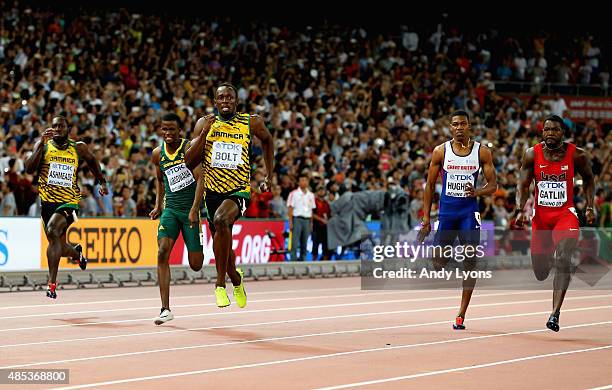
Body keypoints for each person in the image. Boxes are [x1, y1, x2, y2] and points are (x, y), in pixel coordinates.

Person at [185, 83, 274, 308]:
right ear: (215, 102)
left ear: (236, 100)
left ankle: (219, 284)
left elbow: (268, 140)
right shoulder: (204, 124)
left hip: (239, 190)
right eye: (221, 98)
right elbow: (189, 161)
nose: (225, 101)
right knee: (222, 242)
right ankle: (236, 278)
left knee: (221, 220)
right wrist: (204, 135)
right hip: (212, 192)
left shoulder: (250, 122)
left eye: (229, 97)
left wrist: (269, 175)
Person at [515, 114, 596, 332]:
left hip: (565, 214)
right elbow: (522, 185)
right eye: (547, 130)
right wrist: (520, 209)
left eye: (555, 130)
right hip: (541, 218)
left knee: (563, 258)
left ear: (563, 132)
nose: (550, 133)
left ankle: (555, 313)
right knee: (541, 273)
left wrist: (590, 205)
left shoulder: (577, 155)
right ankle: (552, 255)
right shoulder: (532, 154)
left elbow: (589, 179)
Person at [418, 110, 497, 330]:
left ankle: (461, 313)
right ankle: (447, 251)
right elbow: (429, 186)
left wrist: (478, 192)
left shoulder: (481, 152)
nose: (459, 127)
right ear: (450, 127)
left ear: (469, 126)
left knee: (470, 262)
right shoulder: (440, 151)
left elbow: (493, 185)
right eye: (455, 124)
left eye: (463, 124)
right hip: (447, 213)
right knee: (438, 264)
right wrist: (426, 218)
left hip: (468, 213)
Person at [24, 115, 108, 299]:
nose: (57, 129)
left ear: (68, 129)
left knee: (53, 231)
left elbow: (93, 161)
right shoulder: (43, 146)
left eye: (61, 126)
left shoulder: (78, 147)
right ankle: (77, 254)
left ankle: (51, 284)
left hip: (69, 201)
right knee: (58, 246)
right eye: (54, 126)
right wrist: (40, 144)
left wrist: (102, 181)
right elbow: (29, 169)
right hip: (47, 202)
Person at [150, 113, 206, 324]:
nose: (167, 133)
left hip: (190, 212)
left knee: (196, 265)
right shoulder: (157, 154)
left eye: (171, 129)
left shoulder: (188, 150)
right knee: (162, 251)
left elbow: (201, 179)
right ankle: (165, 308)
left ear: (179, 131)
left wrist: (194, 209)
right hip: (171, 210)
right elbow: (160, 181)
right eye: (164, 129)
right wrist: (158, 205)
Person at [287, 174, 316, 261]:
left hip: (307, 220)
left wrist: (311, 223)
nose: (304, 182)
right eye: (302, 180)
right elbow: (290, 208)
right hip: (297, 219)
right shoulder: (293, 194)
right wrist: (291, 222)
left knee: (305, 242)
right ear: (298, 182)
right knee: (295, 242)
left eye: (305, 180)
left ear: (308, 182)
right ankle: (293, 261)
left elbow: (311, 210)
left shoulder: (311, 195)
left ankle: (303, 260)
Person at [312, 186, 332, 260]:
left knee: (325, 245)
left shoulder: (326, 203)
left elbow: (329, 214)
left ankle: (325, 261)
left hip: (325, 227)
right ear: (317, 192)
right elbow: (312, 214)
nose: (321, 192)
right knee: (315, 244)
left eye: (323, 190)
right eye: (320, 190)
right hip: (316, 226)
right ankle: (314, 261)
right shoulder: (314, 202)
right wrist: (321, 219)